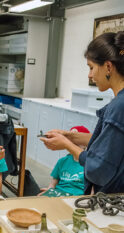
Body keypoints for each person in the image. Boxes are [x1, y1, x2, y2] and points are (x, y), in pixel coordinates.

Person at [40, 31, 124, 194]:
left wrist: (67, 145)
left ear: (108, 66)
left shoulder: (119, 106)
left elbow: (98, 167)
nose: (90, 75)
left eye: (91, 67)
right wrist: (71, 136)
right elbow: (112, 143)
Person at [38, 126, 90, 197]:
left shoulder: (90, 164)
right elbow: (53, 183)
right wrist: (49, 190)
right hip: (59, 193)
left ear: (86, 145)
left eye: (77, 142)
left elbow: (92, 191)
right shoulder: (62, 161)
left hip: (76, 197)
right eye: (71, 142)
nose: (73, 144)